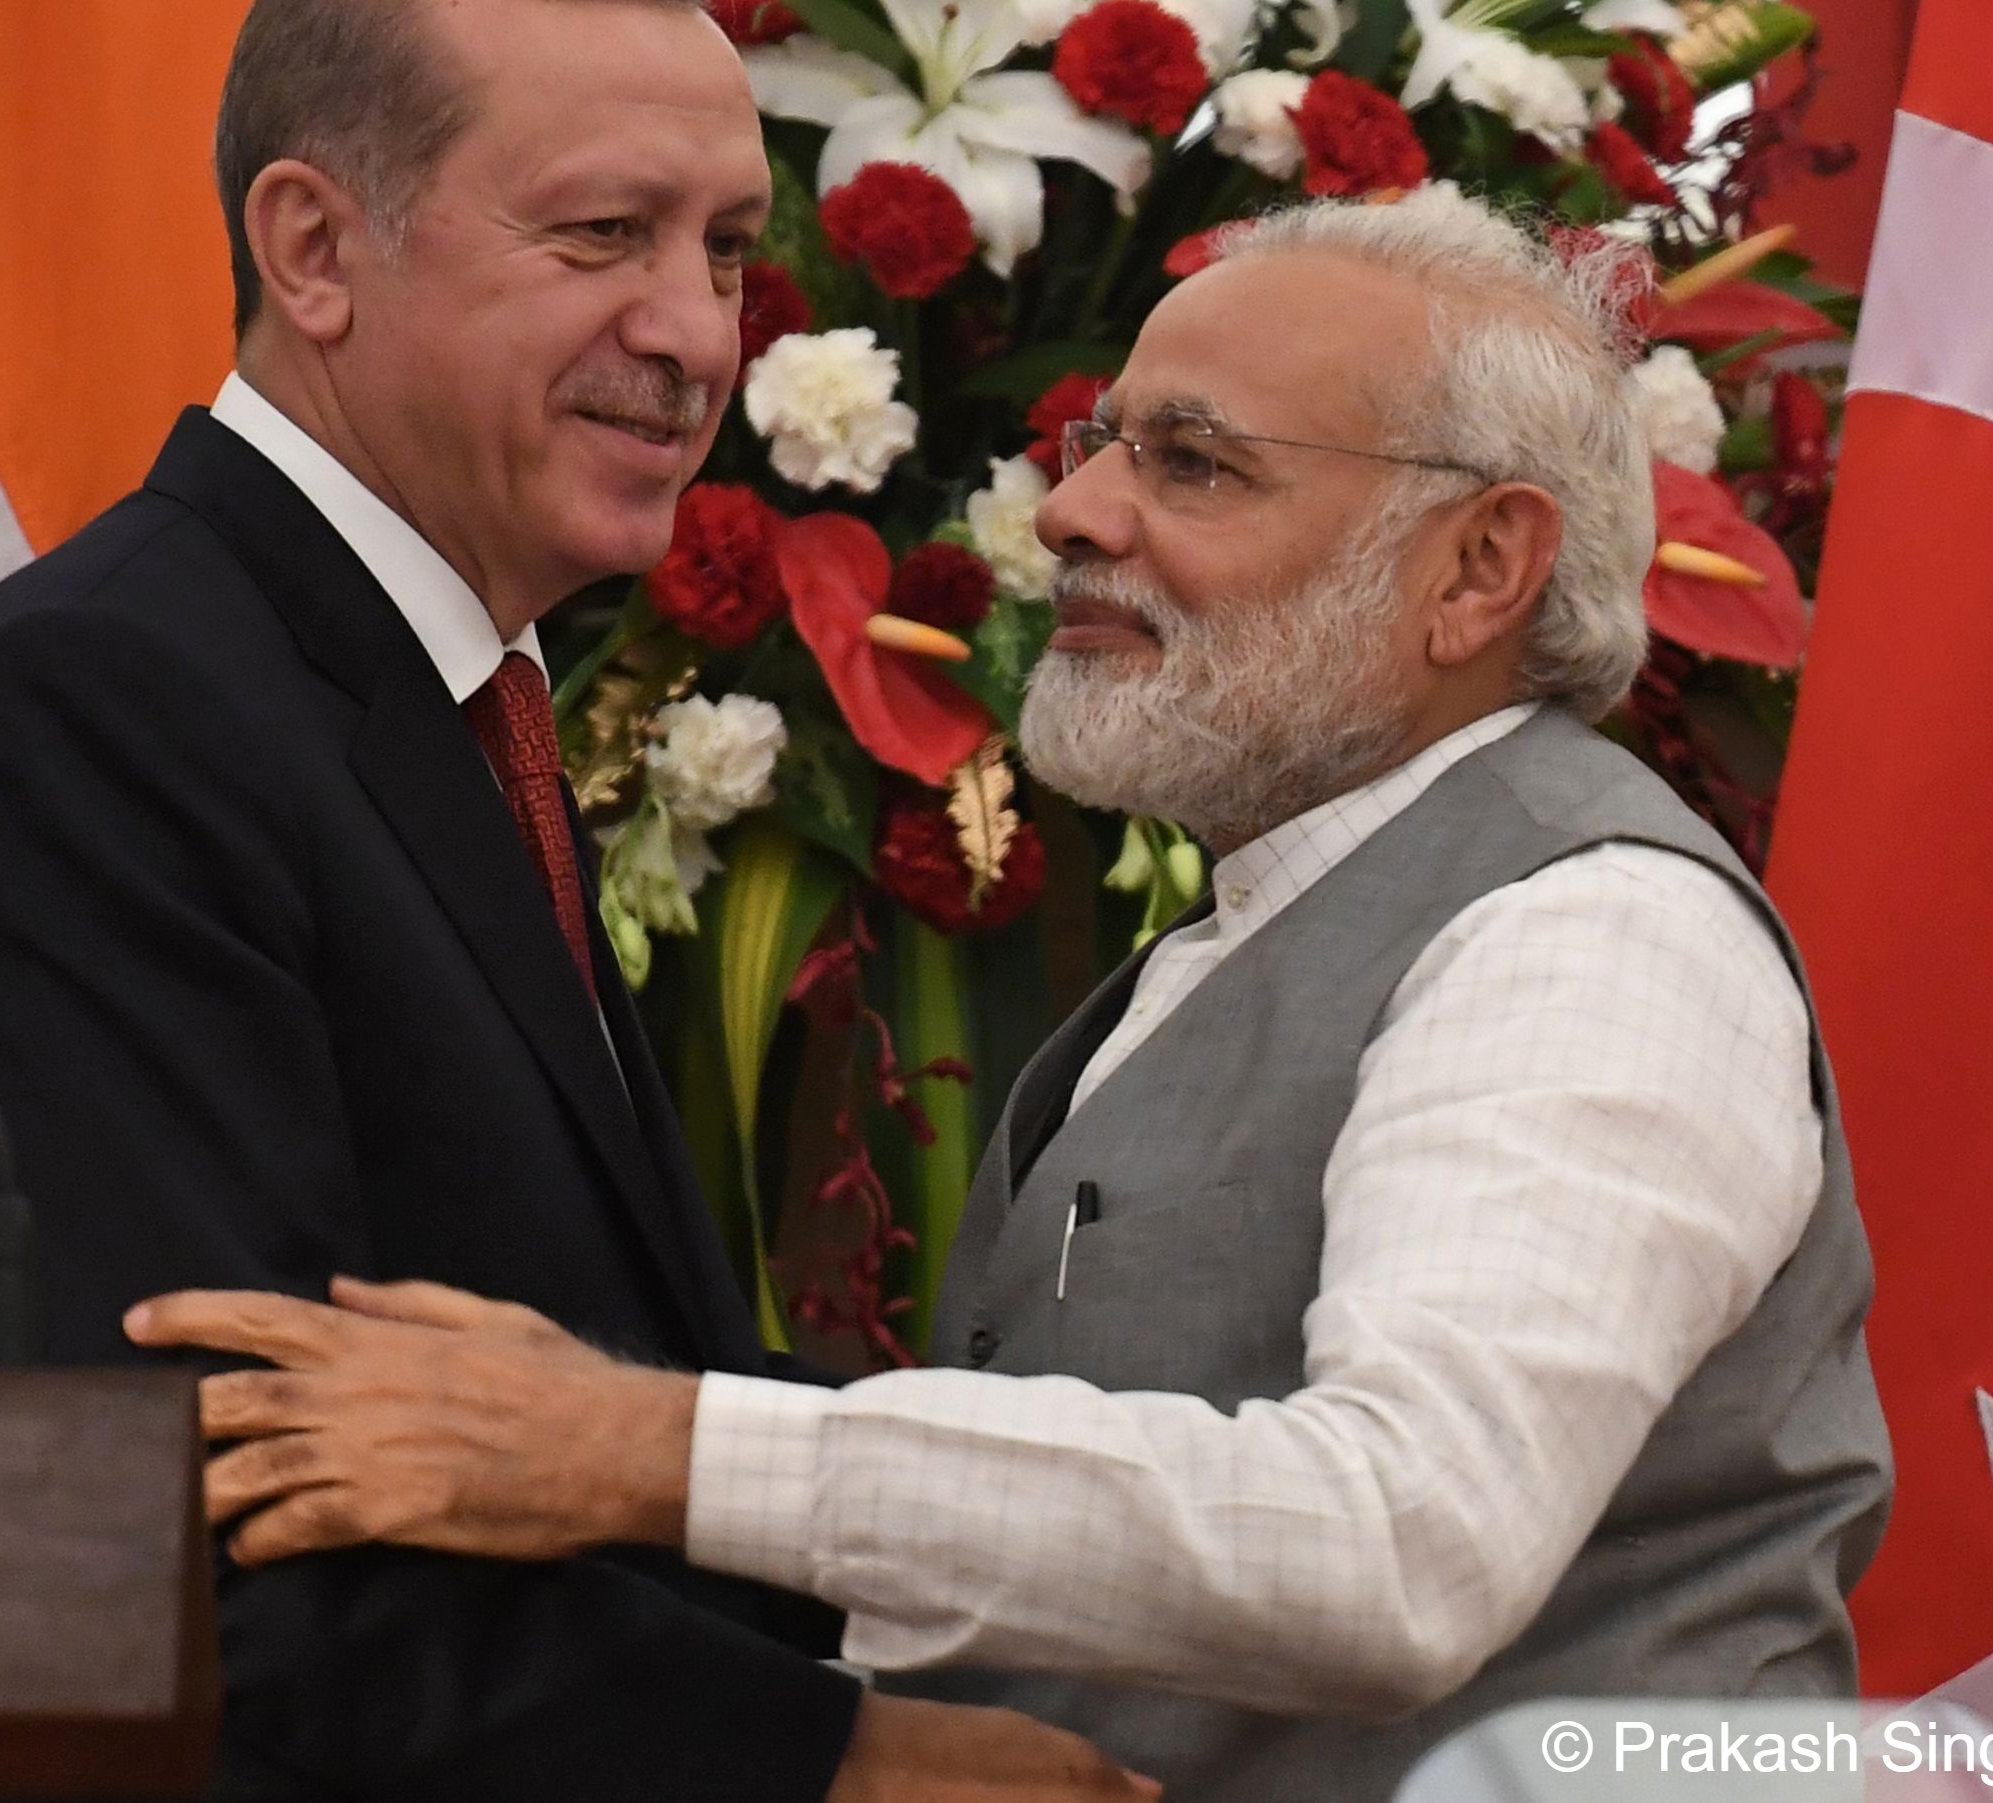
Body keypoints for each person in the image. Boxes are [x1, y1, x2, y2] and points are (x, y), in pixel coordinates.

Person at [126, 186, 1897, 1801]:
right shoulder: (1271, 916)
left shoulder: (1589, 939)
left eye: (1193, 465)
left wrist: (631, 1451)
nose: (1070, 512)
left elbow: (1402, 1540)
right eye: (1097, 439)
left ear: (1480, 569)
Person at [0, 0, 1148, 1803]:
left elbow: (576, 1397)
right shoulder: (105, 709)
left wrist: (1145, 1512)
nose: (694, 332)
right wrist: (834, 1762)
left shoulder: (435, 690)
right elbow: (201, 1512)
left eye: (724, 252)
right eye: (603, 234)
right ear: (314, 247)